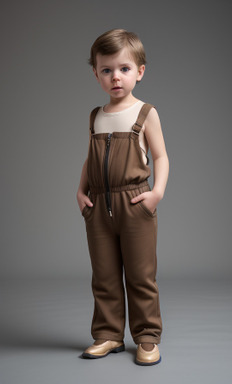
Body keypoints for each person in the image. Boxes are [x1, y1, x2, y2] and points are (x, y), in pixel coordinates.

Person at [76, 29, 169, 366]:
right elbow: (90, 158)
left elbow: (160, 157)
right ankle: (108, 334)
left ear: (139, 72)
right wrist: (80, 190)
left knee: (141, 275)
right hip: (98, 205)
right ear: (96, 74)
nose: (115, 76)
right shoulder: (95, 116)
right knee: (103, 275)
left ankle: (146, 336)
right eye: (106, 70)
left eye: (124, 69)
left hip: (135, 205)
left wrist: (156, 193)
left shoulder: (146, 113)